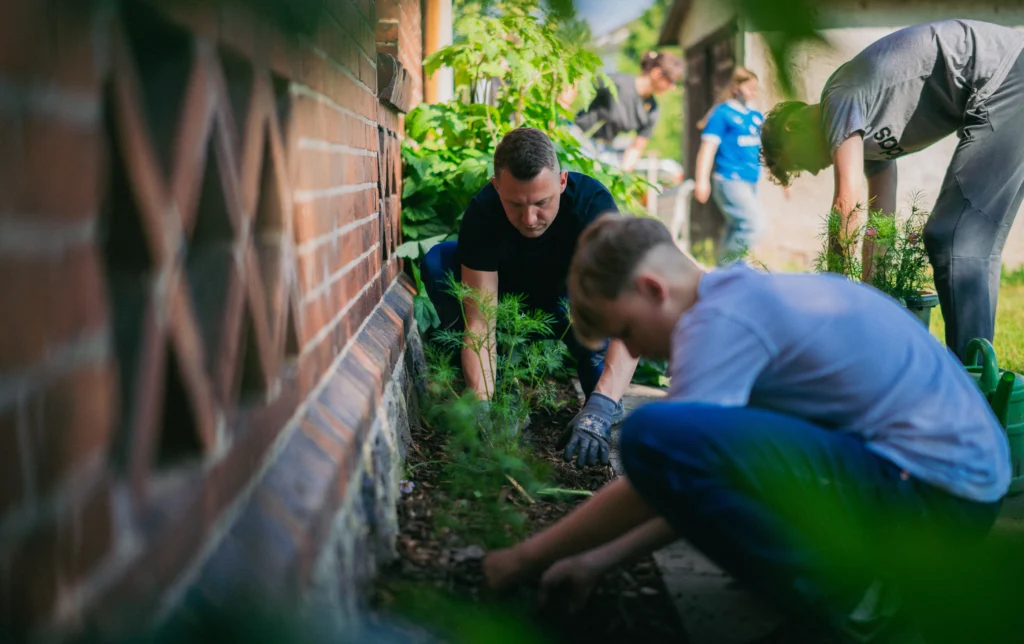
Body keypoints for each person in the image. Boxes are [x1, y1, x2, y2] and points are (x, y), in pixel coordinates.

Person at [482, 215, 1009, 641]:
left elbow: (656, 477)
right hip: (957, 490)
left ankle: (848, 609)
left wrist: (524, 559)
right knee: (680, 441)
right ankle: (844, 582)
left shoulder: (717, 324)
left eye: (627, 330)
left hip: (933, 497)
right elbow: (694, 481)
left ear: (651, 288)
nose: (634, 350)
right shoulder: (743, 296)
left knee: (650, 434)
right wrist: (595, 562)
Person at [759, 19, 1024, 362]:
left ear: (792, 127)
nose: (812, 170)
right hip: (1007, 81)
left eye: (797, 163)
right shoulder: (868, 143)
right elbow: (879, 226)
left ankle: (970, 384)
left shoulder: (838, 99)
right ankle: (978, 374)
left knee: (953, 238)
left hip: (1004, 75)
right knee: (972, 245)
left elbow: (847, 204)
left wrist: (835, 299)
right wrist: (874, 299)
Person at [420, 127, 639, 467]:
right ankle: (495, 393)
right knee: (439, 261)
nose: (529, 219)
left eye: (542, 203)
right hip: (512, 308)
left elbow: (629, 319)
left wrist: (601, 405)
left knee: (603, 375)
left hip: (573, 311)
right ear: (497, 187)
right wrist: (481, 407)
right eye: (515, 204)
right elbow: (480, 324)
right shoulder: (483, 213)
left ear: (562, 181)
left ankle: (600, 399)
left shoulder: (593, 209)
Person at [693, 66, 766, 264]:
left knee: (735, 226)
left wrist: (783, 177)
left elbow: (766, 149)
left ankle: (721, 271)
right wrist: (701, 181)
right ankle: (728, 269)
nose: (753, 91)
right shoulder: (722, 113)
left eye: (755, 88)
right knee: (754, 225)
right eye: (749, 86)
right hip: (729, 179)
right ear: (736, 87)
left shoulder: (755, 116)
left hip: (750, 180)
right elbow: (707, 148)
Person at [574, 51, 684, 173]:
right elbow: (578, 83)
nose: (673, 87)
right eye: (671, 81)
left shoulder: (652, 110)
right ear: (656, 73)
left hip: (603, 150)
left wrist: (624, 174)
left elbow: (636, 147)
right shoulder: (618, 82)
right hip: (577, 136)